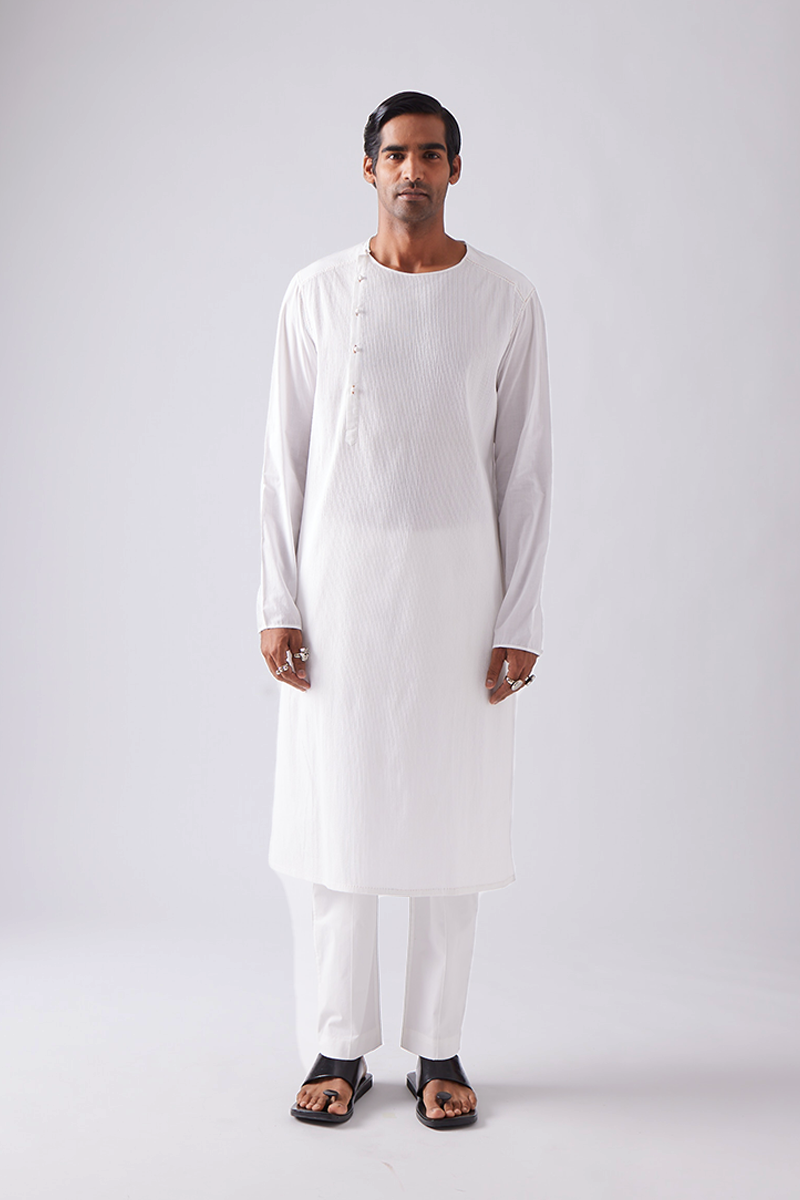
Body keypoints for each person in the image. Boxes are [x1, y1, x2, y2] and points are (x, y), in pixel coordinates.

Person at [257, 91, 552, 1128]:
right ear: (368, 168)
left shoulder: (505, 298)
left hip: (458, 592)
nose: (412, 171)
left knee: (448, 818)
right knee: (337, 811)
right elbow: (283, 461)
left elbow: (524, 470)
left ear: (455, 169)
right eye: (395, 154)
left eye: (430, 154)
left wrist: (518, 617)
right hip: (338, 591)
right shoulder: (313, 295)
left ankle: (438, 1050)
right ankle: (338, 1045)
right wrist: (277, 598)